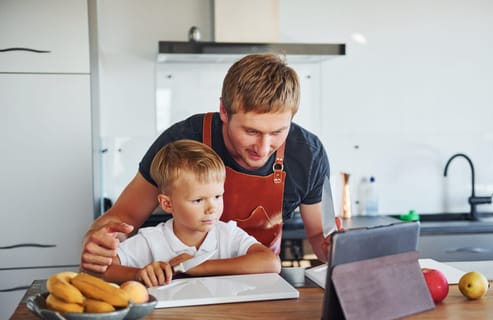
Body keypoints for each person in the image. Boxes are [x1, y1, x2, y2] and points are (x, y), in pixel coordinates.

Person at [82, 53, 333, 274]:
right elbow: (123, 217)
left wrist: (332, 248)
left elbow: (316, 237)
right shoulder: (182, 141)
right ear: (224, 111)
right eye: (251, 131)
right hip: (180, 283)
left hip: (258, 283)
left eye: (278, 132)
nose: (264, 148)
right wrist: (102, 241)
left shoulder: (308, 155)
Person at [102, 140, 281, 287]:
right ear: (167, 203)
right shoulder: (151, 240)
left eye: (217, 196)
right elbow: (105, 270)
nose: (212, 208)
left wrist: (200, 267)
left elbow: (270, 262)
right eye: (198, 200)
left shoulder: (227, 234)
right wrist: (139, 274)